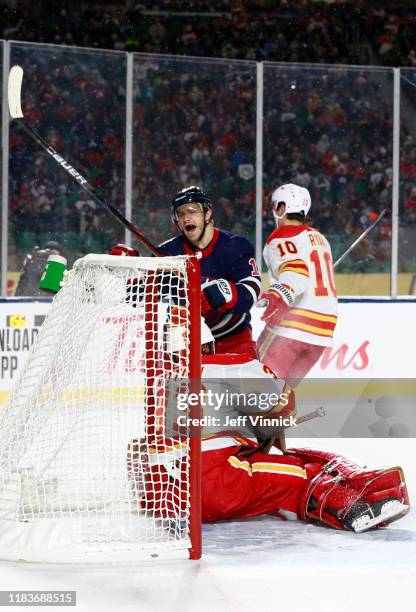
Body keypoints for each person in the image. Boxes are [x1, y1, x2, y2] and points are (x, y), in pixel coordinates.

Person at [129, 321, 409, 533]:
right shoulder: (231, 365)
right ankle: (351, 503)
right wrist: (266, 426)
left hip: (165, 495)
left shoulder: (158, 382)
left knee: (271, 470)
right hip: (216, 484)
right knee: (303, 474)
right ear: (206, 346)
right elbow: (281, 403)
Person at [157, 186, 261, 358]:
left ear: (207, 214)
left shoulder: (235, 246)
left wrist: (222, 293)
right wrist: (127, 267)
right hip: (185, 344)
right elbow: (138, 293)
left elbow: (250, 292)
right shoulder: (167, 253)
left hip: (234, 342)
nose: (186, 218)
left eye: (192, 211)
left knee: (251, 384)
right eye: (180, 214)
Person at [257, 183, 338, 385]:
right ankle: (281, 417)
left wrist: (279, 292)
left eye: (275, 205)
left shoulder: (280, 237)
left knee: (256, 386)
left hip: (291, 327)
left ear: (282, 208)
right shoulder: (321, 238)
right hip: (321, 334)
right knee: (283, 394)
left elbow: (297, 273)